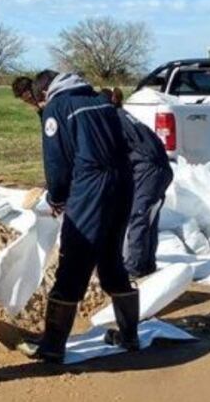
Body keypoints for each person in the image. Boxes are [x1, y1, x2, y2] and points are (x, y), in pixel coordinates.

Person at [12, 70, 138, 363]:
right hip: (123, 183)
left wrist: (56, 197)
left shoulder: (58, 108)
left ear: (44, 94)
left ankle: (53, 345)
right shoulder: (99, 100)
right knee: (111, 257)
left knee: (75, 258)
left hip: (91, 185)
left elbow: (56, 162)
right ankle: (130, 335)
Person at [99, 87, 174, 278]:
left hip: (150, 170)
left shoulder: (113, 121)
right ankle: (146, 264)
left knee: (138, 216)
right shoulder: (124, 115)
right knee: (148, 217)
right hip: (159, 169)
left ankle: (133, 268)